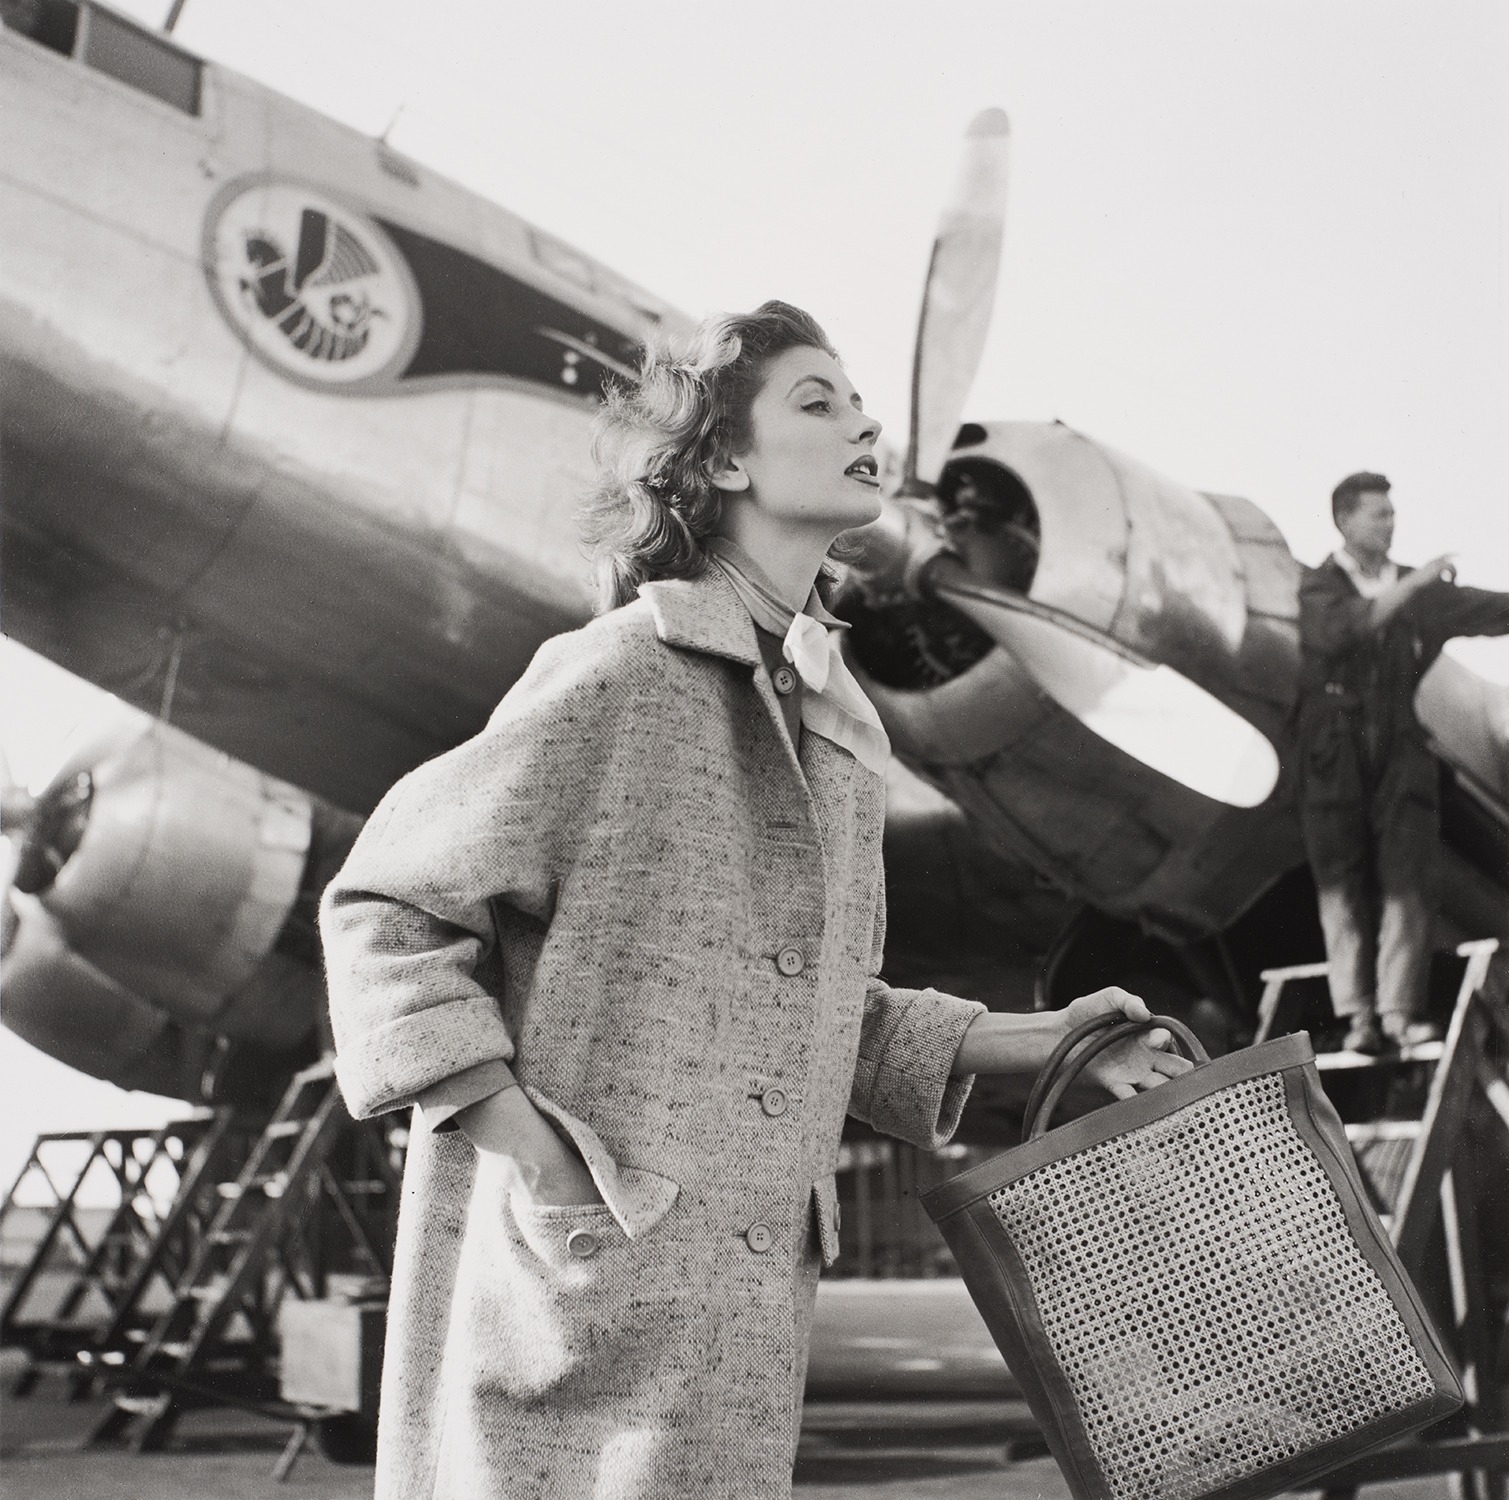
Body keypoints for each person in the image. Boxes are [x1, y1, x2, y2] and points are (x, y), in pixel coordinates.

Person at [319, 302, 1189, 1500]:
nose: (868, 425)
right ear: (726, 459)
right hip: (577, 1302)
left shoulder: (839, 729)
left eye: (862, 405)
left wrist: (1062, 1038)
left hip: (733, 1332)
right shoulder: (624, 670)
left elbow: (831, 1013)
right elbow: (386, 908)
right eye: (819, 403)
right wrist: (531, 1152)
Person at [1297, 471, 1509, 1054]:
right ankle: (1358, 1018)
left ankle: (1396, 1015)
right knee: (1340, 885)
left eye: (1392, 514)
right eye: (1378, 514)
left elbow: (1489, 610)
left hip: (1400, 747)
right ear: (1344, 520)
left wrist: (1421, 587)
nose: (1390, 524)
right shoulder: (1318, 588)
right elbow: (1346, 630)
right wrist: (1417, 582)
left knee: (1408, 881)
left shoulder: (1420, 594)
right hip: (1333, 749)